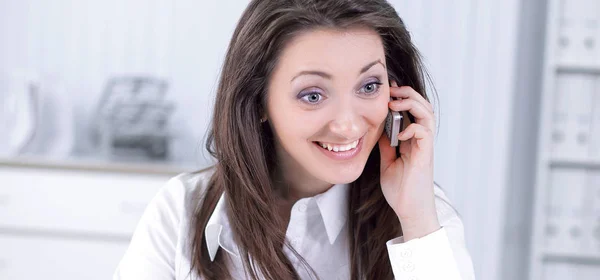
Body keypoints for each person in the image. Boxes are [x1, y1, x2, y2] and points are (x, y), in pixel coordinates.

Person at [113, 0, 476, 279]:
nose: (348, 126)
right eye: (313, 95)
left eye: (369, 86)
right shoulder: (182, 210)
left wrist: (416, 219)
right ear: (258, 101)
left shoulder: (423, 215)